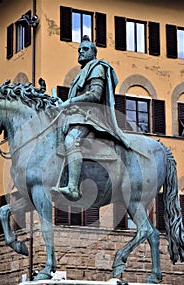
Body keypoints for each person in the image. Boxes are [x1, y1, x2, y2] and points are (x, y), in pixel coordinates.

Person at [52, 35, 130, 200]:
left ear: (94, 53)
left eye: (85, 49)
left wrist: (69, 102)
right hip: (75, 116)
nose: (80, 51)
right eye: (79, 49)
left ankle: (73, 187)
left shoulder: (97, 68)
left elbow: (95, 95)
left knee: (71, 141)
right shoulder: (82, 73)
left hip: (89, 117)